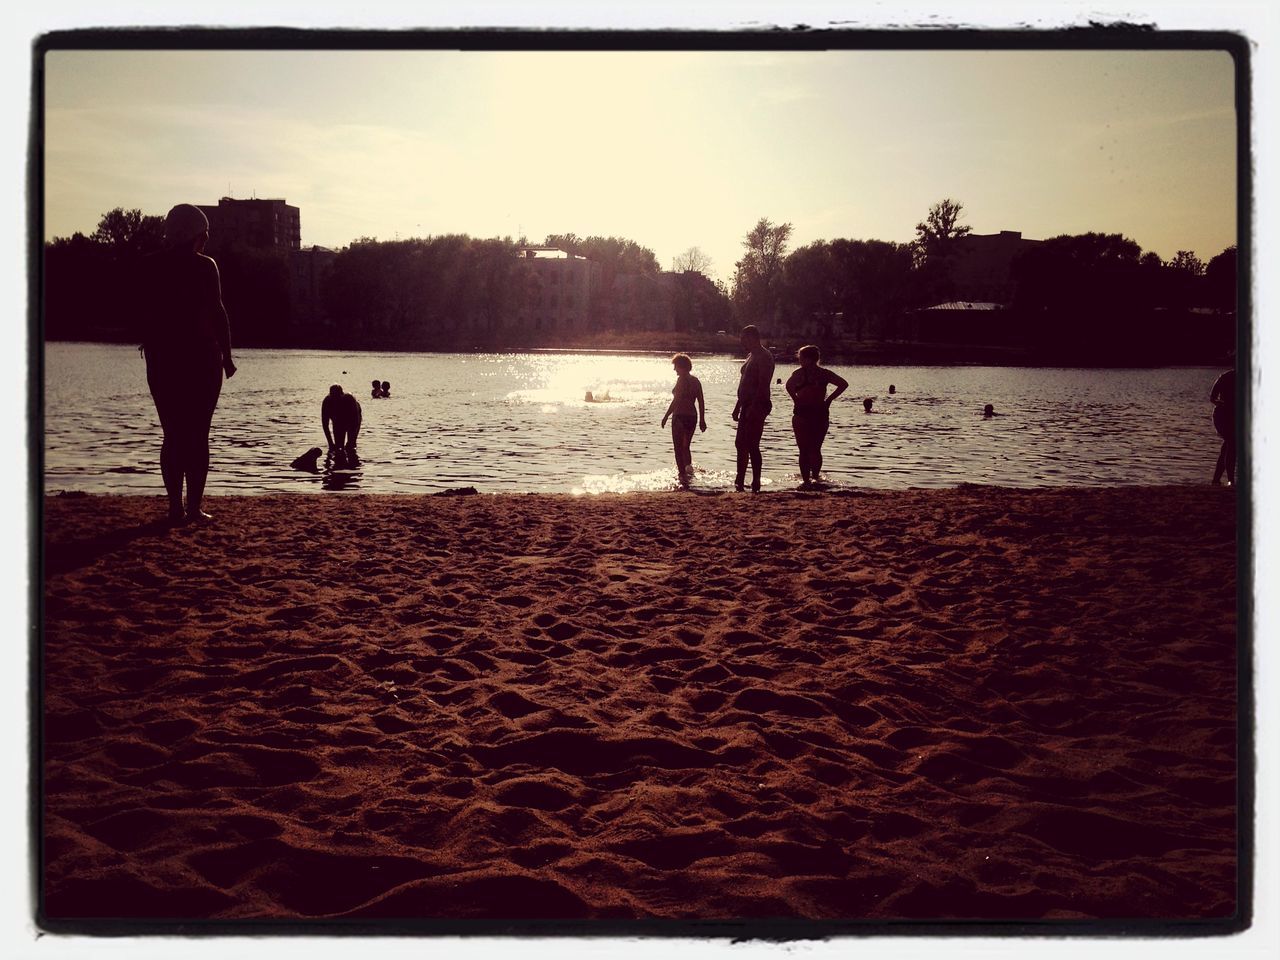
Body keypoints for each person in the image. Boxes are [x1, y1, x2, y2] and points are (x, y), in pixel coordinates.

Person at [137, 203, 236, 524]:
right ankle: (193, 508)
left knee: (173, 433)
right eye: (204, 234)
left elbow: (143, 311)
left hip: (162, 359)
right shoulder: (206, 267)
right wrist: (228, 356)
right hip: (202, 359)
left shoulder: (150, 266)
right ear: (195, 234)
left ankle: (174, 508)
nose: (206, 240)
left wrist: (151, 342)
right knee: (198, 434)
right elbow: (218, 313)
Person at [785, 345, 848, 488]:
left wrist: (797, 399)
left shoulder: (803, 373)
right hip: (816, 411)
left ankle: (809, 480)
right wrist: (828, 400)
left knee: (807, 449)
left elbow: (788, 386)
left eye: (801, 358)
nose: (799, 361)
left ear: (808, 359)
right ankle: (812, 479)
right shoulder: (822, 373)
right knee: (812, 448)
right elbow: (843, 384)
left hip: (809, 412)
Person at [731, 325, 775, 492]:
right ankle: (740, 479)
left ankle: (756, 480)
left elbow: (762, 385)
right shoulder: (750, 356)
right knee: (740, 443)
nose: (742, 342)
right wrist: (738, 406)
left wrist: (754, 407)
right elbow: (745, 384)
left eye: (744, 338)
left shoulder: (764, 357)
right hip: (746, 403)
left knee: (752, 443)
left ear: (752, 337)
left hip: (758, 404)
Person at [660, 354, 706, 488]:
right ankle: (688, 471)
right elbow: (701, 401)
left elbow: (676, 400)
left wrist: (666, 415)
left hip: (679, 416)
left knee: (678, 448)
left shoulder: (681, 380)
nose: (674, 370)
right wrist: (702, 419)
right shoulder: (696, 381)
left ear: (682, 367)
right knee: (686, 447)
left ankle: (682, 475)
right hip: (692, 416)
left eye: (676, 366)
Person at [1210, 366, 1236, 485]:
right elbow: (1212, 398)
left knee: (1228, 446)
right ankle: (1231, 480)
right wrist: (1224, 405)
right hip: (1222, 416)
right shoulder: (1225, 377)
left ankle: (1216, 480)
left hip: (1235, 415)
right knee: (1231, 443)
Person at [322, 385, 362, 453]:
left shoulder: (349, 399)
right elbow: (325, 425)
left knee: (351, 446)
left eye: (337, 397)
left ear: (342, 395)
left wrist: (352, 440)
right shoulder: (327, 402)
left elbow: (356, 423)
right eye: (334, 397)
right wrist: (330, 443)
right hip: (337, 421)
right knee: (339, 447)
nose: (336, 400)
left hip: (352, 419)